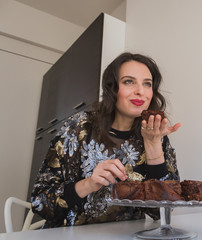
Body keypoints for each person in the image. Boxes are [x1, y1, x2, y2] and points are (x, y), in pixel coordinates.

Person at [31, 52, 182, 228]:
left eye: (147, 84)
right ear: (112, 88)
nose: (141, 91)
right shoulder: (80, 127)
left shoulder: (154, 134)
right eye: (129, 81)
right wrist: (89, 184)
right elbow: (40, 202)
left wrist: (153, 144)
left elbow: (164, 211)